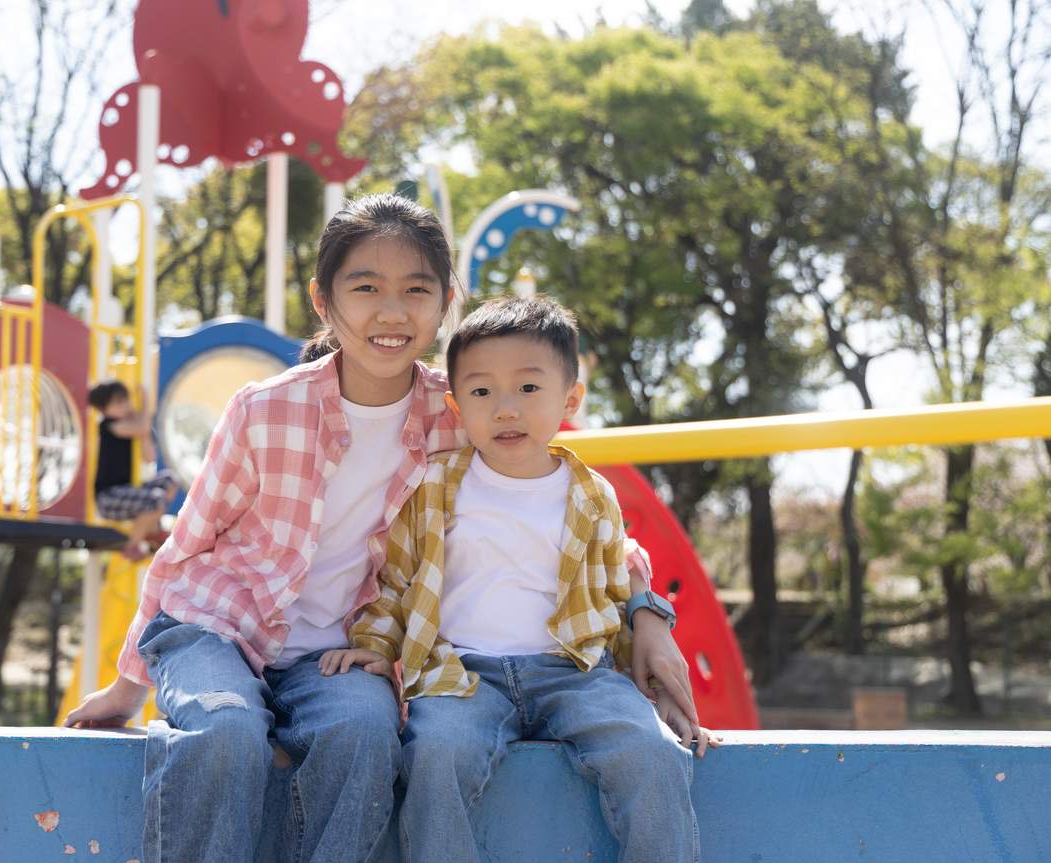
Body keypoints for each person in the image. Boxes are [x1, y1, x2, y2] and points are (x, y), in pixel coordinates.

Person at [63, 195, 697, 863]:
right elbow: (184, 549)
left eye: (415, 290)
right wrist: (127, 684)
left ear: (444, 301)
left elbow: (583, 525)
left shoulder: (462, 412)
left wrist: (648, 617)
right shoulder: (263, 411)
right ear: (323, 300)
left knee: (365, 734)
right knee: (224, 731)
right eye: (365, 288)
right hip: (218, 623)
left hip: (337, 652)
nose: (391, 312)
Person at [321, 296, 719, 863]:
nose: (506, 409)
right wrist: (375, 647)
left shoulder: (590, 494)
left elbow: (611, 585)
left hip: (575, 671)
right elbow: (397, 580)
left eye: (529, 389)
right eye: (482, 392)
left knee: (650, 754)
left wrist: (648, 689)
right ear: (458, 408)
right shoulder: (434, 488)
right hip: (466, 675)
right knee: (434, 756)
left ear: (570, 398)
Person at [87, 380, 177, 560]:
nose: (126, 406)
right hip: (109, 497)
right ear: (105, 410)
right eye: (119, 403)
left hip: (127, 492)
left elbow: (149, 457)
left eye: (126, 400)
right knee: (156, 499)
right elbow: (141, 428)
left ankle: (150, 529)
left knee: (170, 480)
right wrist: (145, 403)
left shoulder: (132, 426)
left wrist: (143, 431)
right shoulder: (107, 425)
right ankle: (133, 545)